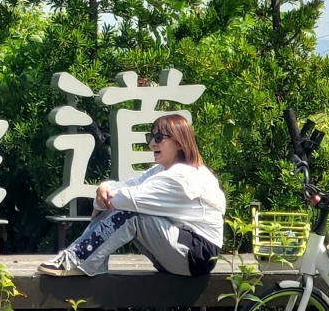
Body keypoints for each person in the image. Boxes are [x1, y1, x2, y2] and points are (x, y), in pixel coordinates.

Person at [47, 113, 225, 276]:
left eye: (158, 138)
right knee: (121, 205)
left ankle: (78, 260)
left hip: (197, 255)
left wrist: (99, 200)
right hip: (180, 249)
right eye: (151, 137)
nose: (151, 144)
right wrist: (103, 187)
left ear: (179, 142)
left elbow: (129, 199)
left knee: (130, 212)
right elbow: (128, 185)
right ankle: (86, 260)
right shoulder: (161, 170)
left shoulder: (183, 177)